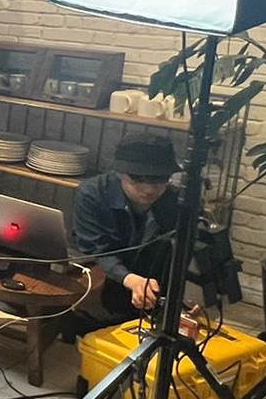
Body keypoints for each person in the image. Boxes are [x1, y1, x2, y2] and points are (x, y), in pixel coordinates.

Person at [72, 130, 183, 325]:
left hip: (154, 287)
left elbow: (185, 257)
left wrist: (187, 301)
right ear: (120, 173)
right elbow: (96, 249)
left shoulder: (177, 202)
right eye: (137, 179)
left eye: (159, 180)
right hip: (103, 278)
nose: (149, 189)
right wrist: (130, 279)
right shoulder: (93, 194)